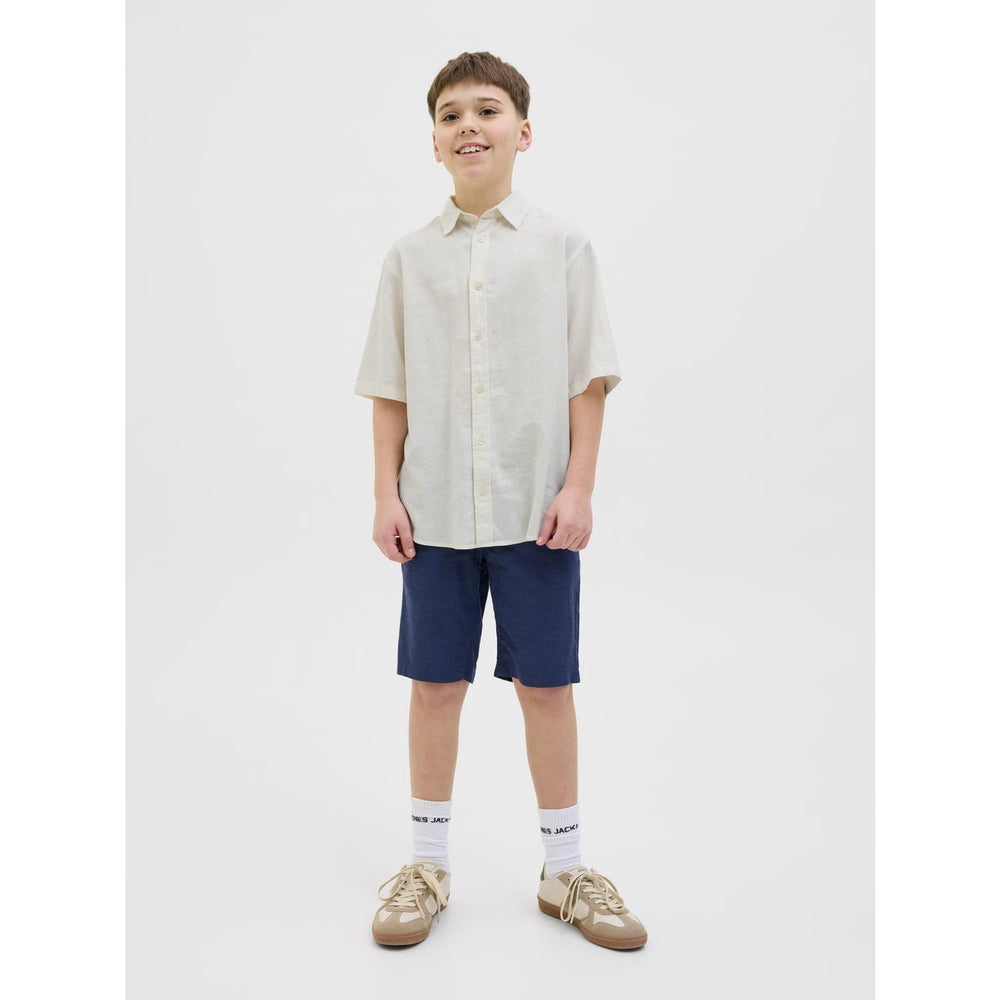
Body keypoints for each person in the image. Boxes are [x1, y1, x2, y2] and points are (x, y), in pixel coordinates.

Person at [354, 50, 646, 950]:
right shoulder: (409, 260)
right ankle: (427, 865)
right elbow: (390, 389)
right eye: (450, 115)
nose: (468, 125)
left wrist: (579, 487)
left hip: (536, 513)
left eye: (486, 110)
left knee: (547, 687)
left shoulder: (564, 247)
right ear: (434, 143)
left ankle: (566, 872)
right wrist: (385, 494)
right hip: (434, 511)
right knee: (435, 685)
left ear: (524, 132)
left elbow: (587, 378)